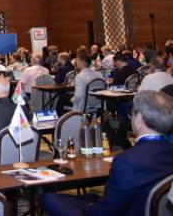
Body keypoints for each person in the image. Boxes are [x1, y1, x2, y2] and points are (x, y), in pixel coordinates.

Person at [42, 91, 173, 216]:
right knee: (89, 197)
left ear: (139, 119)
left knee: (48, 197)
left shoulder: (127, 162)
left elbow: (103, 212)